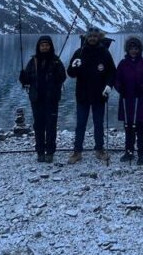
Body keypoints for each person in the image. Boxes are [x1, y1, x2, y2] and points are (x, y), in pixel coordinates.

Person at [66, 27, 117, 163]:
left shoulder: (104, 53)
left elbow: (112, 72)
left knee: (98, 123)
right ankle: (77, 152)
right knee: (80, 124)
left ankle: (99, 150)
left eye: (95, 36)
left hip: (99, 95)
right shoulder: (79, 52)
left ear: (98, 38)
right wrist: (74, 66)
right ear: (86, 38)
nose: (92, 38)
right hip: (82, 95)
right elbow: (70, 73)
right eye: (90, 36)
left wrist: (109, 85)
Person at [18, 35, 68, 163]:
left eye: (47, 45)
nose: (45, 47)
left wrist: (57, 72)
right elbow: (27, 80)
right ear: (38, 47)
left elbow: (63, 77)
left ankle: (50, 152)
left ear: (50, 46)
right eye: (42, 45)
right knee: (38, 126)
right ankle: (40, 152)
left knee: (51, 126)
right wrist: (22, 77)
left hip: (52, 99)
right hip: (36, 99)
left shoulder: (56, 61)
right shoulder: (33, 61)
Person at [114, 36, 143, 164]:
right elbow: (116, 79)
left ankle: (142, 153)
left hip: (141, 100)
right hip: (127, 101)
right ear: (127, 49)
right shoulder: (122, 64)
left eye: (136, 48)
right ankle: (129, 151)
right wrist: (120, 88)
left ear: (140, 50)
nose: (134, 51)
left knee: (141, 128)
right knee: (128, 128)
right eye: (131, 48)